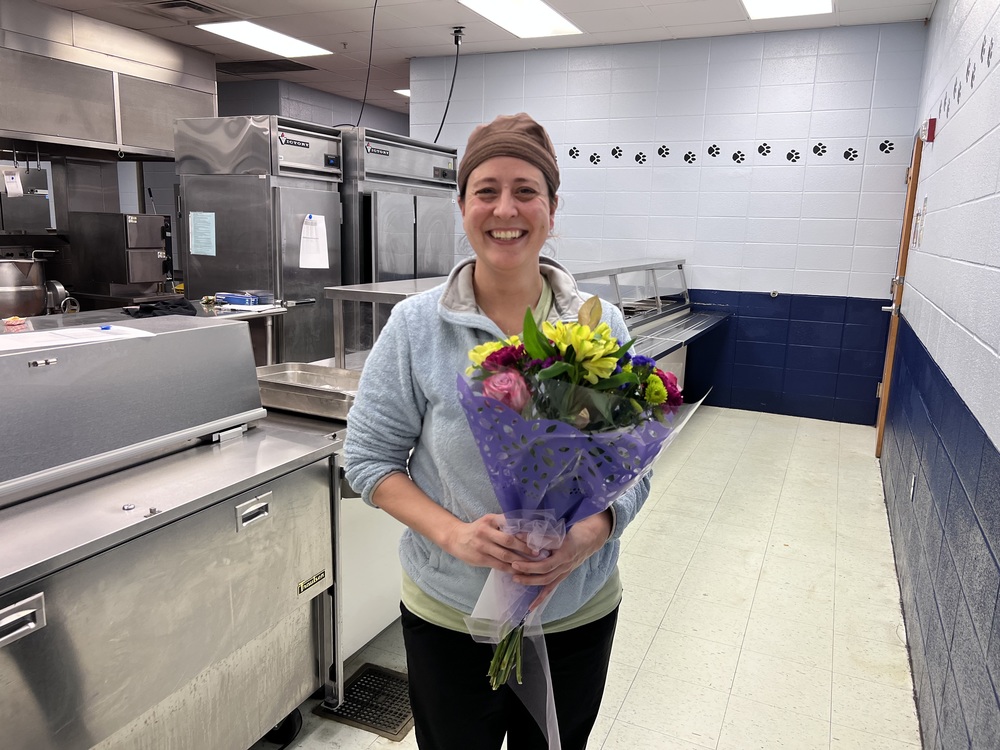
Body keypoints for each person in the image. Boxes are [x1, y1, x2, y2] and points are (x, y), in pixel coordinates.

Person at [343, 113, 651, 750]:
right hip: (449, 612)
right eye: (485, 190)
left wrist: (591, 532)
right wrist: (454, 534)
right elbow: (369, 462)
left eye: (525, 190)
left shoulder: (601, 326)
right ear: (462, 206)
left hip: (574, 609)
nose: (504, 209)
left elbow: (633, 466)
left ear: (552, 208)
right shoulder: (415, 327)